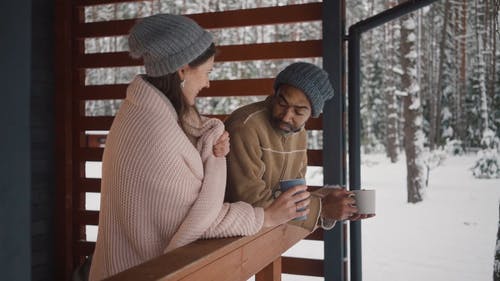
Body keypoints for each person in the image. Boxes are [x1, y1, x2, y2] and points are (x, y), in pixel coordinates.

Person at [88, 14, 310, 281]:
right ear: (182, 69)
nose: (207, 83)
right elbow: (198, 222)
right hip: (144, 272)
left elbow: (183, 137)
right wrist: (265, 217)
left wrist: (209, 136)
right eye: (207, 72)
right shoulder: (155, 136)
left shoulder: (141, 112)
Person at [225, 62, 373, 232]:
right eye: (282, 103)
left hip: (266, 236)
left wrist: (329, 201)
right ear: (275, 94)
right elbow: (253, 203)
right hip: (232, 237)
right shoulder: (246, 126)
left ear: (311, 114)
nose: (287, 117)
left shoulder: (299, 132)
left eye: (299, 111)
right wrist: (322, 209)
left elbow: (289, 197)